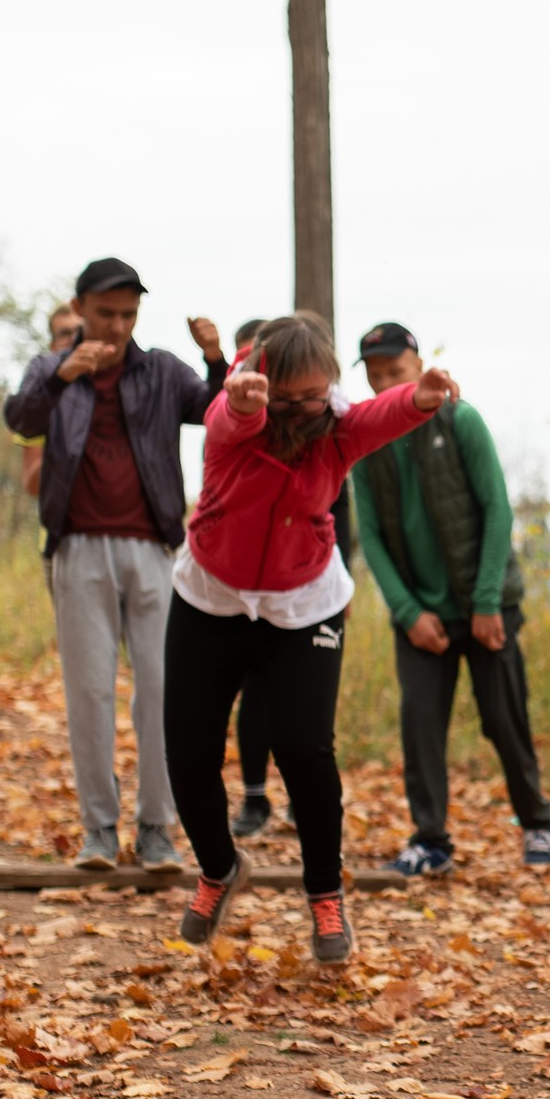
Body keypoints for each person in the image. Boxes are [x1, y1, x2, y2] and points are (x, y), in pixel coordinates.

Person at [164, 313, 456, 965]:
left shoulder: (337, 425)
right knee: (187, 752)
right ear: (263, 380)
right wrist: (241, 399)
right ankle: (218, 869)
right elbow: (225, 419)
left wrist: (423, 395)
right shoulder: (237, 413)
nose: (301, 411)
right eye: (287, 398)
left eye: (313, 397)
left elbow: (380, 415)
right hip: (212, 594)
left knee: (304, 752)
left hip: (303, 603)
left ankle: (325, 893)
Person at [2, 257, 228, 872]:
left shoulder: (159, 370)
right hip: (77, 549)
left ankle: (156, 829)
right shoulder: (51, 369)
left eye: (129, 314)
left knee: (162, 691)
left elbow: (216, 412)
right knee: (90, 692)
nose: (118, 325)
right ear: (80, 310)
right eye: (106, 313)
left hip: (155, 550)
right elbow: (18, 419)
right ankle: (99, 831)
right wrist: (60, 378)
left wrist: (214, 358)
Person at [350, 321, 550, 874]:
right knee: (420, 727)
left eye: (395, 371)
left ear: (418, 366)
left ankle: (537, 825)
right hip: (420, 615)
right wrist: (407, 611)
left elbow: (497, 509)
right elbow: (368, 536)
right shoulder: (368, 441)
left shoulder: (459, 419)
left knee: (504, 721)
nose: (386, 382)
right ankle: (431, 840)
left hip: (485, 604)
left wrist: (488, 601)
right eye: (376, 376)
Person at [226, 318, 359, 841]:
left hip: (313, 585)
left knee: (304, 707)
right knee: (253, 695)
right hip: (242, 584)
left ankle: (305, 804)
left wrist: (339, 575)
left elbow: (338, 509)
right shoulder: (241, 422)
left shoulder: (331, 428)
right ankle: (254, 799)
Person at [19, 304, 84, 497]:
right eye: (65, 334)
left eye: (79, 331)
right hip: (64, 522)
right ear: (52, 345)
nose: (74, 340)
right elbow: (32, 485)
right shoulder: (39, 398)